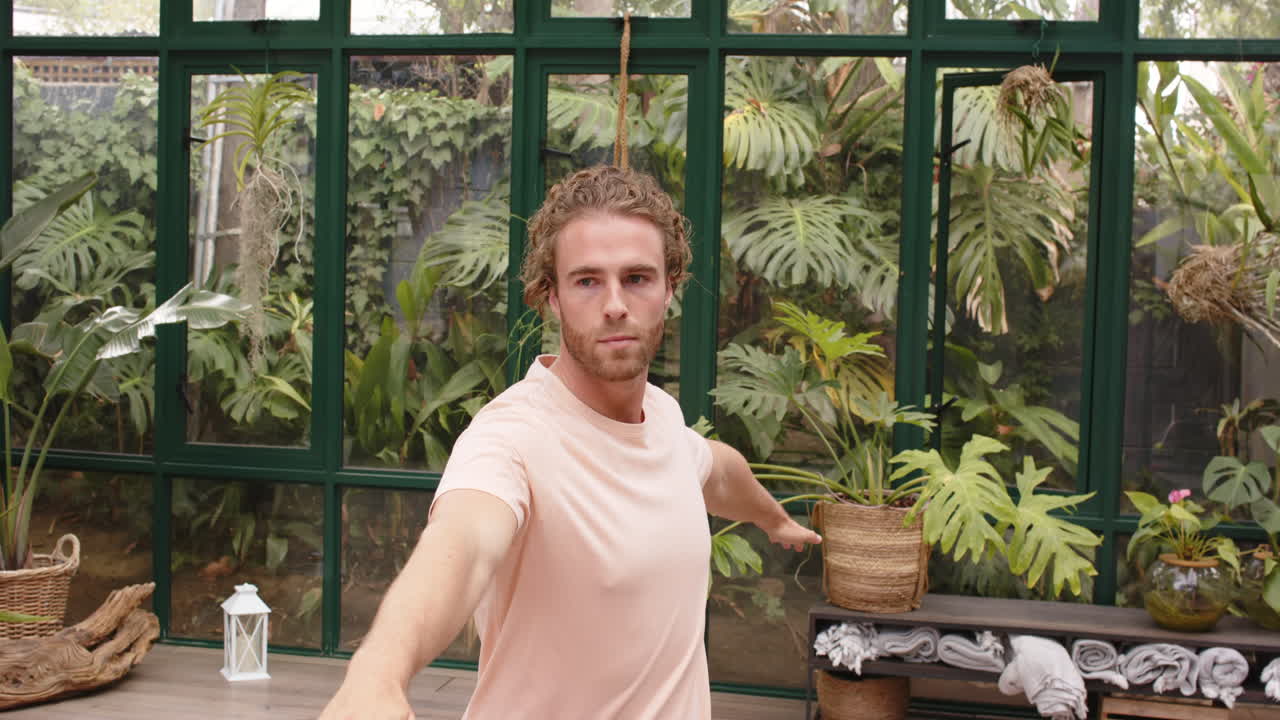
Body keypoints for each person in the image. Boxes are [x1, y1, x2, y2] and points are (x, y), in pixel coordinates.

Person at [319, 166, 820, 720]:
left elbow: (716, 470)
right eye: (587, 281)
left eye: (637, 278)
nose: (614, 304)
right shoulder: (511, 437)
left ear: (669, 289)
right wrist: (377, 674)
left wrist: (774, 520)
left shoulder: (662, 417)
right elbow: (461, 547)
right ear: (551, 297)